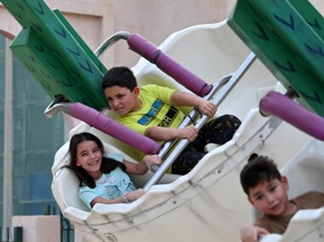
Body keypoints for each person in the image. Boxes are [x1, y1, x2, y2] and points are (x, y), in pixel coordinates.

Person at [101, 66, 241, 175]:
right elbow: (150, 132)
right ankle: (231, 169)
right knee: (200, 161)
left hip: (191, 135)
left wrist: (200, 102)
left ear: (136, 92)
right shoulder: (123, 124)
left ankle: (243, 153)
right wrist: (179, 133)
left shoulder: (149, 91)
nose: (115, 104)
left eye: (120, 96)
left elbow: (175, 97)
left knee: (228, 122)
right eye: (110, 99)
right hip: (172, 157)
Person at [238, 154, 324, 242]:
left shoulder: (314, 198)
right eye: (259, 197)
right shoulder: (266, 226)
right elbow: (250, 232)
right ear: (252, 202)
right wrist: (245, 230)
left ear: (284, 183)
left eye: (272, 189)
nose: (270, 199)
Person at [65, 132, 161, 210]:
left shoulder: (112, 161)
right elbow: (103, 206)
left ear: (101, 151)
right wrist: (126, 197)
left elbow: (138, 169)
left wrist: (146, 159)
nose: (92, 157)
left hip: (145, 205)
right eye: (85, 154)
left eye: (95, 151)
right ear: (77, 161)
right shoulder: (85, 190)